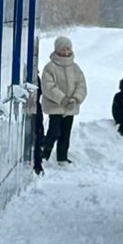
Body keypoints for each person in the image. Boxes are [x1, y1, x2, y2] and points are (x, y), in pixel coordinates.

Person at [39, 36, 88, 165]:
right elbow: (48, 87)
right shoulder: (50, 67)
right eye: (62, 49)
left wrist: (75, 99)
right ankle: (44, 154)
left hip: (70, 107)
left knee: (65, 133)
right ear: (57, 50)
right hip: (55, 106)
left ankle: (62, 157)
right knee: (54, 131)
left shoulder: (75, 68)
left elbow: (81, 85)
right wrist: (62, 99)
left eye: (68, 49)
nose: (65, 52)